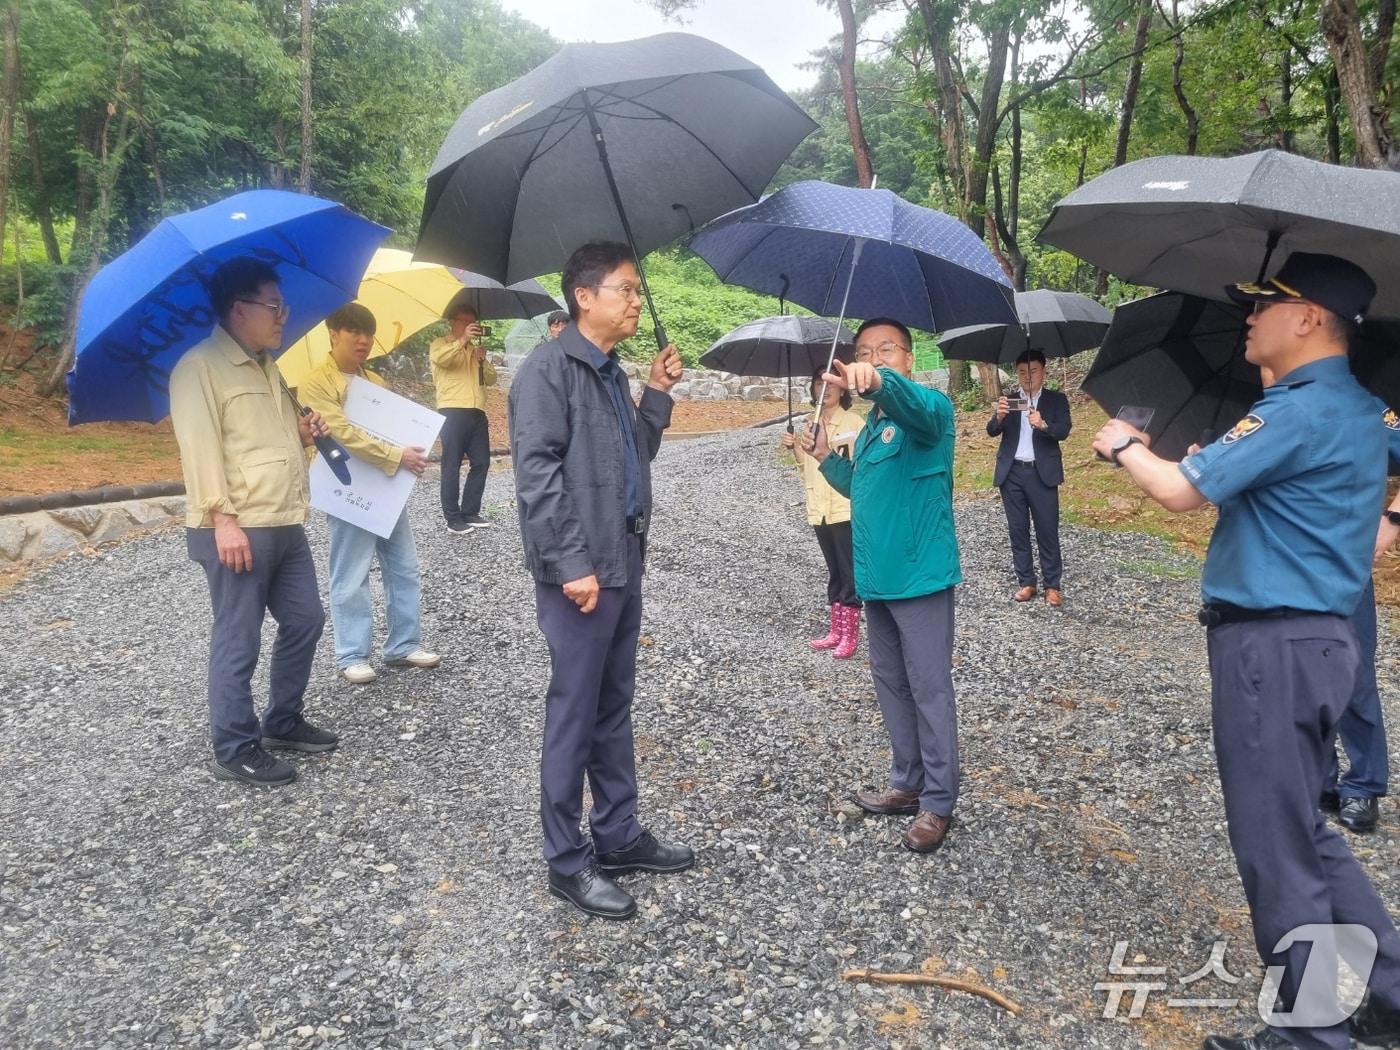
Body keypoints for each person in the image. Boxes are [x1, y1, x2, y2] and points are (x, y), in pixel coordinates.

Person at [1090, 252, 1400, 1050]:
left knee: (1276, 845)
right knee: (1307, 830)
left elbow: (1180, 491)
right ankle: (1394, 990)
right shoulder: (1363, 412)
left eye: (1268, 304)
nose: (1251, 317)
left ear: (1307, 319)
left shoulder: (1298, 410)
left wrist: (1124, 443)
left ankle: (1311, 1036)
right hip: (1321, 642)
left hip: (1272, 649)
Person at [508, 241, 694, 921]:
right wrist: (571, 565)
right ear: (583, 297)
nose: (636, 301)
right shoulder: (548, 374)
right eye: (626, 289)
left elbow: (633, 458)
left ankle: (617, 835)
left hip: (622, 559)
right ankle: (566, 860)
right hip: (581, 574)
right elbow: (537, 478)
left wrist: (659, 395)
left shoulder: (611, 373)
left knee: (613, 706)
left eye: (639, 291)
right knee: (574, 713)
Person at [168, 257, 337, 787]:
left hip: (283, 517)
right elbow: (199, 448)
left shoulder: (269, 364)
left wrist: (305, 434)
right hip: (236, 524)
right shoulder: (199, 367)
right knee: (239, 637)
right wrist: (222, 520)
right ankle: (235, 745)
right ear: (239, 309)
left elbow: (263, 440)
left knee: (306, 619)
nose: (283, 315)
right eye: (274, 305)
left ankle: (282, 720)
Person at [805, 318, 962, 855]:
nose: (875, 357)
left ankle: (938, 803)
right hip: (878, 580)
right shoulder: (872, 429)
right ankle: (907, 780)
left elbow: (911, 408)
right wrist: (825, 456)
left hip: (919, 576)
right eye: (865, 351)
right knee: (892, 685)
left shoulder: (930, 410)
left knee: (929, 689)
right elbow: (861, 488)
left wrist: (879, 381)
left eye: (886, 349)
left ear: (909, 358)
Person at [297, 302, 442, 685]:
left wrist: (412, 448)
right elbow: (340, 432)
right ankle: (352, 654)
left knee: (404, 565)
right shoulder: (316, 382)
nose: (362, 341)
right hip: (348, 487)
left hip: (386, 487)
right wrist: (397, 455)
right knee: (351, 571)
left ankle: (403, 644)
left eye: (367, 333)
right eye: (353, 332)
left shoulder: (375, 381)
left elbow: (394, 429)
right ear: (333, 334)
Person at [1321, 406, 1400, 834]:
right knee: (1300, 671)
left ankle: (1364, 785)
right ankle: (1318, 778)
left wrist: (1391, 522)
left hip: (1343, 559)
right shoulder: (1256, 407)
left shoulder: (1363, 403)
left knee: (1351, 672)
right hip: (1279, 562)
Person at [781, 368, 865, 658]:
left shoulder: (855, 424)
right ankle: (836, 630)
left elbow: (859, 470)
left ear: (842, 389)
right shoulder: (809, 424)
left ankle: (850, 634)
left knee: (849, 570)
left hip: (845, 508)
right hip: (820, 510)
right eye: (819, 383)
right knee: (834, 571)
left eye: (830, 384)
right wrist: (795, 449)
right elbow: (808, 471)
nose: (825, 389)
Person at [987, 349, 1072, 606]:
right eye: (1022, 372)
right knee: (1018, 529)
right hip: (1012, 472)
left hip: (1041, 472)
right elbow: (991, 431)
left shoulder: (1056, 400)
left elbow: (1064, 430)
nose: (1028, 377)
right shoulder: (1010, 400)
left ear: (1044, 371)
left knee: (1047, 529)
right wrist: (999, 416)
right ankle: (1026, 581)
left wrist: (1043, 424)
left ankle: (1052, 585)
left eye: (1033, 371)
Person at [431, 302, 497, 533]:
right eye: (465, 322)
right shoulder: (441, 344)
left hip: (477, 410)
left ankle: (470, 511)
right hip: (452, 409)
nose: (470, 326)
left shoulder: (473, 350)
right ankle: (452, 517)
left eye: (473, 322)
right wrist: (462, 341)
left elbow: (490, 380)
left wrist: (482, 360)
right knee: (452, 463)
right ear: (453, 322)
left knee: (481, 461)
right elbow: (442, 361)